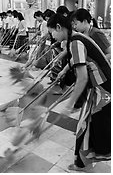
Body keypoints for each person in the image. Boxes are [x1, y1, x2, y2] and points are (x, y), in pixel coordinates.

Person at [47, 13, 111, 171]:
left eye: (52, 32)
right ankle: (91, 159)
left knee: (86, 124)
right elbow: (79, 58)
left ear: (59, 27)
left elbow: (82, 78)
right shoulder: (75, 38)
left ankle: (83, 164)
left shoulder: (75, 41)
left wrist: (68, 104)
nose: (52, 36)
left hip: (101, 86)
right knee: (91, 123)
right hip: (101, 84)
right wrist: (65, 69)